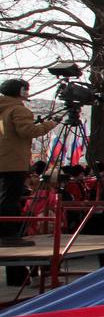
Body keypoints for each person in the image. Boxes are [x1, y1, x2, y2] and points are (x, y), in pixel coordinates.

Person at [0, 79, 59, 246]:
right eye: (25, 90)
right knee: (10, 199)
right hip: (14, 161)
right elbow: (28, 131)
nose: (27, 93)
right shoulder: (18, 109)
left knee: (4, 197)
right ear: (19, 91)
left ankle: (5, 234)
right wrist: (51, 123)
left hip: (3, 159)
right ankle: (8, 235)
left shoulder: (3, 108)